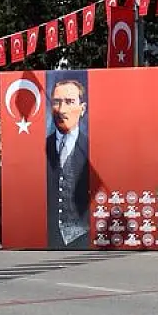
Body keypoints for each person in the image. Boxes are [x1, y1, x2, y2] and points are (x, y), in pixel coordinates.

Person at [45, 79, 91, 249]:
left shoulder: (92, 147)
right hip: (48, 235)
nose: (62, 109)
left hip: (83, 235)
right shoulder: (41, 147)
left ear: (82, 108)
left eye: (70, 102)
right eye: (56, 102)